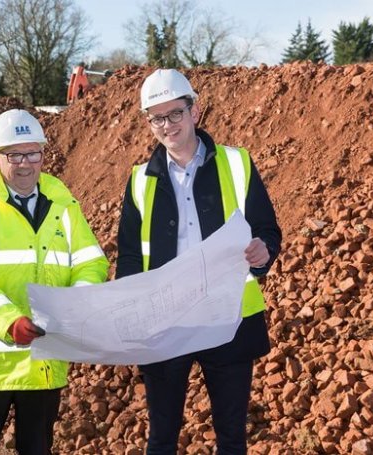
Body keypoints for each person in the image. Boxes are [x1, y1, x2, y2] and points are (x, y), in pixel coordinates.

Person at [116, 69, 282, 455]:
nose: (167, 125)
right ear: (148, 122)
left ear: (195, 110)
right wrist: (130, 315)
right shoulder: (140, 180)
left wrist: (263, 251)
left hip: (229, 318)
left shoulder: (237, 164)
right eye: (157, 117)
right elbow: (128, 255)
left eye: (175, 113)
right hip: (166, 321)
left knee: (231, 437)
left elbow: (268, 230)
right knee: (161, 438)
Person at [0, 109, 109, 455]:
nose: (25, 164)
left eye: (32, 153)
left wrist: (74, 305)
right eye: (14, 155)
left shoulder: (64, 206)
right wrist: (9, 321)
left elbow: (90, 262)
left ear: (43, 154)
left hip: (43, 364)